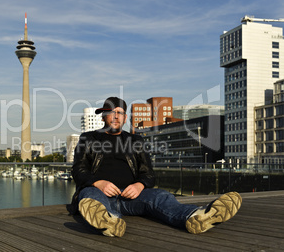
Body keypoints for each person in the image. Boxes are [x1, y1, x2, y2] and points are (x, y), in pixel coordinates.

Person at [67, 96, 242, 237]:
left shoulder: (135, 140)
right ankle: (110, 222)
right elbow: (78, 170)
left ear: (125, 117)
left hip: (131, 197)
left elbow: (148, 173)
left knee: (160, 195)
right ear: (103, 115)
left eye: (119, 112)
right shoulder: (88, 138)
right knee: (89, 195)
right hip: (100, 192)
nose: (115, 116)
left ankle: (198, 216)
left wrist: (139, 185)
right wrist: (98, 183)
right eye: (111, 112)